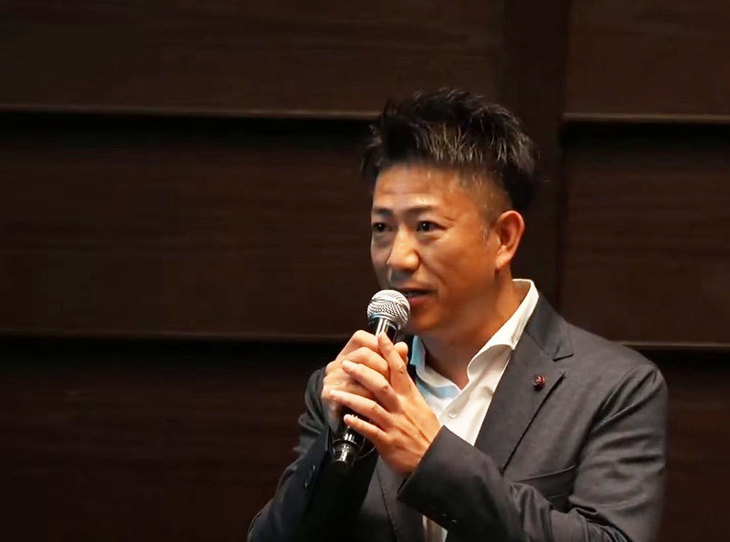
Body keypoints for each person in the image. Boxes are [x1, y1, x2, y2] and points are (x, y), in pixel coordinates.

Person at [248, 89, 667, 542]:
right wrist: (333, 449)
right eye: (382, 227)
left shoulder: (614, 387)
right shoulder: (351, 387)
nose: (398, 258)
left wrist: (432, 460)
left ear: (504, 238)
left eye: (426, 226)